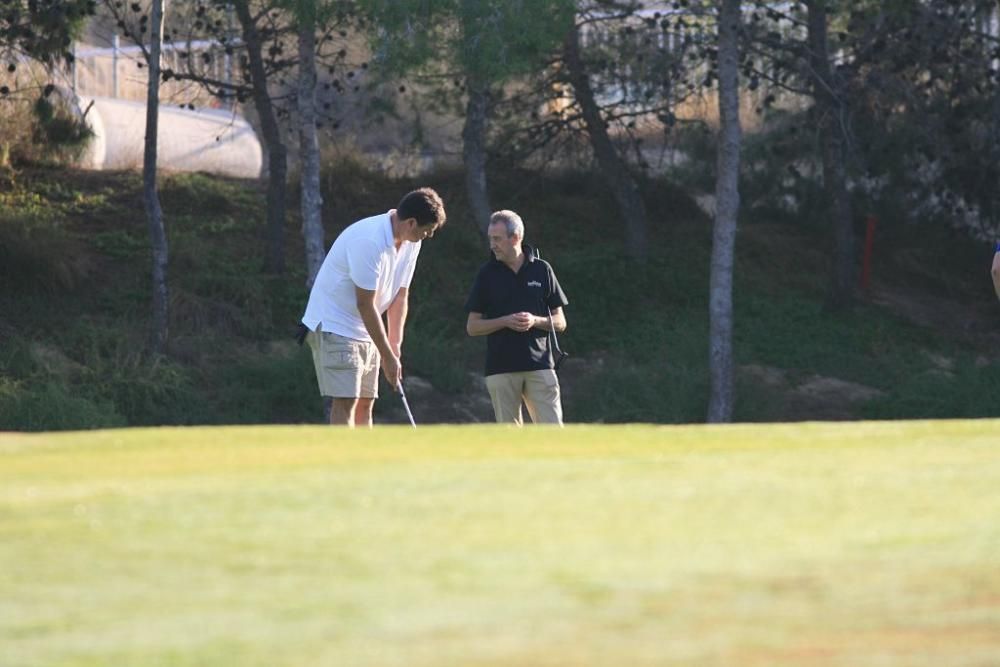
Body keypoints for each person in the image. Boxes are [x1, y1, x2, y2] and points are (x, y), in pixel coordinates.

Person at [301, 188, 446, 426]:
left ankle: (363, 461)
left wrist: (395, 346)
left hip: (366, 326)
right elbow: (365, 304)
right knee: (347, 399)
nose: (428, 236)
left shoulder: (411, 242)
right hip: (335, 323)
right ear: (411, 223)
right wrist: (387, 356)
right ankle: (343, 463)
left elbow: (400, 295)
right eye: (427, 231)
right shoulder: (369, 241)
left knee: (367, 402)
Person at [464, 210, 569, 425]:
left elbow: (560, 322)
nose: (492, 245)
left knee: (553, 435)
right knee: (510, 442)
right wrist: (505, 321)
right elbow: (472, 327)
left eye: (497, 239)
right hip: (500, 369)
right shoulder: (487, 274)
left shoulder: (542, 270)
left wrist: (535, 320)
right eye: (490, 239)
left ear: (516, 237)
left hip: (540, 366)